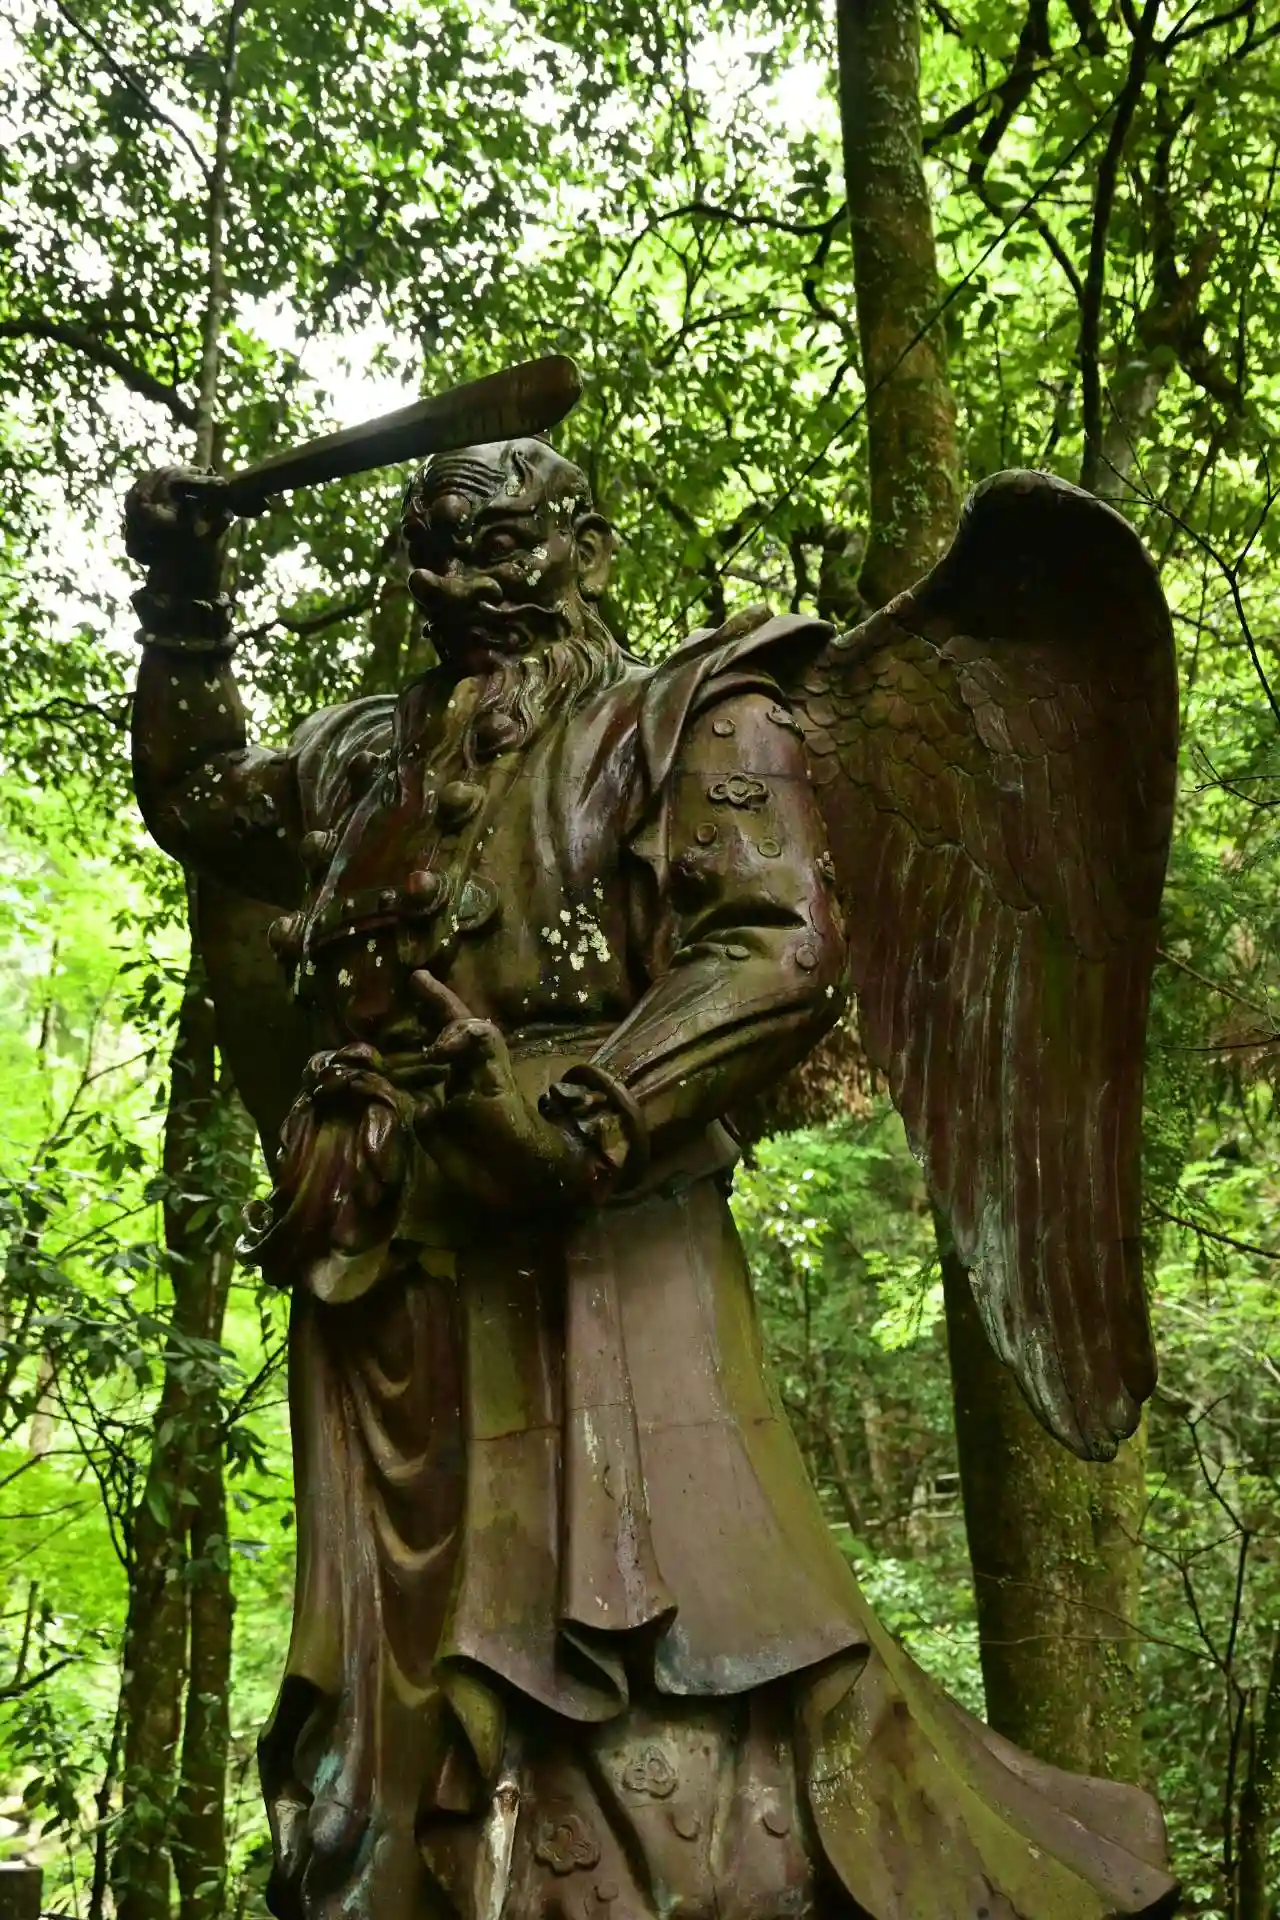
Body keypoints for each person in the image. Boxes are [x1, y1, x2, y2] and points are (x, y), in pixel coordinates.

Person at [126, 441, 1177, 1920]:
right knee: (395, 1692)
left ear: (588, 550)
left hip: (606, 1241)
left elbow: (778, 944)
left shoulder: (694, 714)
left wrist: (587, 1113)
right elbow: (203, 805)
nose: (459, 584)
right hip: (386, 1262)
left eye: (500, 548)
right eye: (432, 555)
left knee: (648, 1667)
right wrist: (184, 606)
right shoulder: (363, 756)